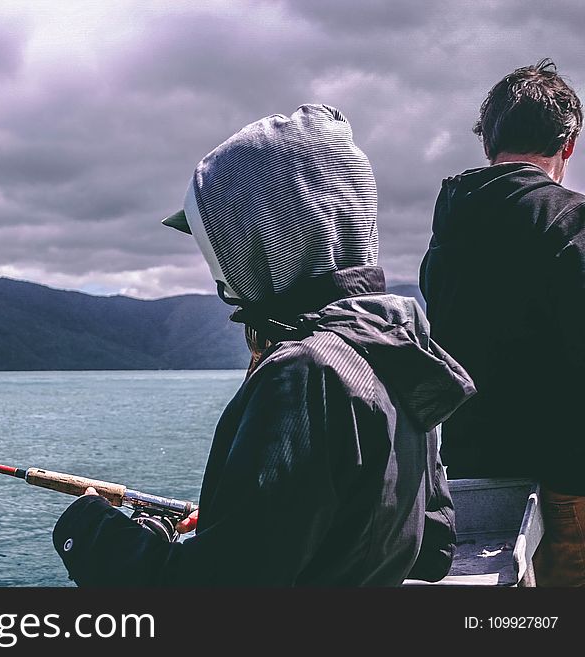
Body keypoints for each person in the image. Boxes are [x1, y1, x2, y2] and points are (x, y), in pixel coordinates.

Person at [52, 103, 475, 586]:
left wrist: (86, 529)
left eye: (216, 238)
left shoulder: (303, 374)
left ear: (260, 234)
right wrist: (243, 525)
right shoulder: (399, 344)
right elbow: (433, 547)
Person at [419, 59, 585, 586]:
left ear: (489, 144)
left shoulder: (446, 236)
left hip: (470, 478)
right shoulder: (572, 223)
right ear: (568, 145)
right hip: (566, 481)